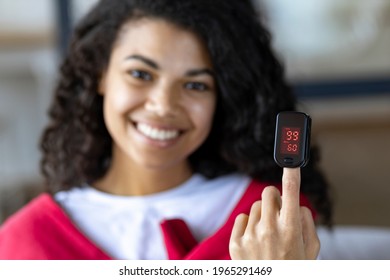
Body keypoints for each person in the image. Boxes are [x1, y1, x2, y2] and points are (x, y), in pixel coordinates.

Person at [0, 0, 332, 260]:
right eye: (140, 75)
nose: (163, 105)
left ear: (223, 98)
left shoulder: (274, 221)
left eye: (195, 85)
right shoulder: (26, 240)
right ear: (100, 74)